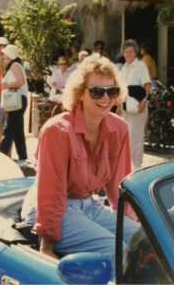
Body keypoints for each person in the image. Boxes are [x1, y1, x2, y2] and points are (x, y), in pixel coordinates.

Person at [21, 54, 139, 278]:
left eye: (111, 91)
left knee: (144, 240)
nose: (105, 98)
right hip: (52, 209)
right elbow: (51, 192)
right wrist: (47, 244)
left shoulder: (119, 129)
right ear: (80, 93)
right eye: (97, 91)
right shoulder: (57, 131)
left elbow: (120, 186)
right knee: (119, 253)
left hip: (89, 206)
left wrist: (127, 223)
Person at [120, 39, 151, 171]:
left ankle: (137, 169)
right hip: (126, 107)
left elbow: (147, 85)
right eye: (126, 52)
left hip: (138, 106)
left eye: (131, 51)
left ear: (135, 52)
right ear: (123, 53)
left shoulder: (140, 65)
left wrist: (144, 102)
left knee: (136, 139)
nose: (128, 54)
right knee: (126, 138)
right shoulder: (124, 68)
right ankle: (128, 168)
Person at [0, 44, 28, 163]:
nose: (3, 57)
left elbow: (20, 82)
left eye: (5, 55)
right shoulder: (15, 65)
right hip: (19, 100)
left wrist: (6, 85)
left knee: (9, 129)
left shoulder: (14, 65)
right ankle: (22, 157)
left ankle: (1, 155)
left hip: (17, 100)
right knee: (17, 130)